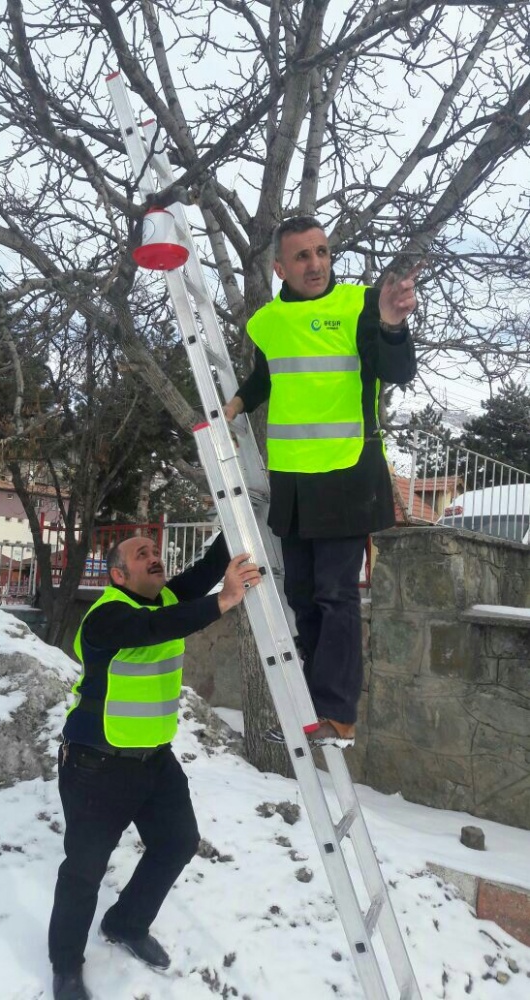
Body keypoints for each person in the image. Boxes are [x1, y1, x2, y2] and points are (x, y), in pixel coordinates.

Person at [224, 215, 418, 749]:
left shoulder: (361, 304)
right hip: (292, 480)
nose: (316, 264)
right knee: (302, 596)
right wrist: (235, 404)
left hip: (348, 472)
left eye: (322, 252)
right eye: (302, 256)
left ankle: (337, 713)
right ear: (279, 268)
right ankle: (313, 705)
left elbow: (398, 371)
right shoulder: (267, 322)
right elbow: (268, 374)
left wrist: (392, 325)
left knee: (335, 595)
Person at [48, 533, 261, 1000]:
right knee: (84, 871)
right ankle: (65, 966)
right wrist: (223, 601)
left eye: (154, 550)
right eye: (140, 554)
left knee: (177, 842)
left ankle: (126, 923)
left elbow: (208, 567)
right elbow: (154, 628)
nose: (154, 557)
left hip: (154, 760)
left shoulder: (165, 596)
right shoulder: (106, 615)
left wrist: (242, 510)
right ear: (119, 575)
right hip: (96, 764)